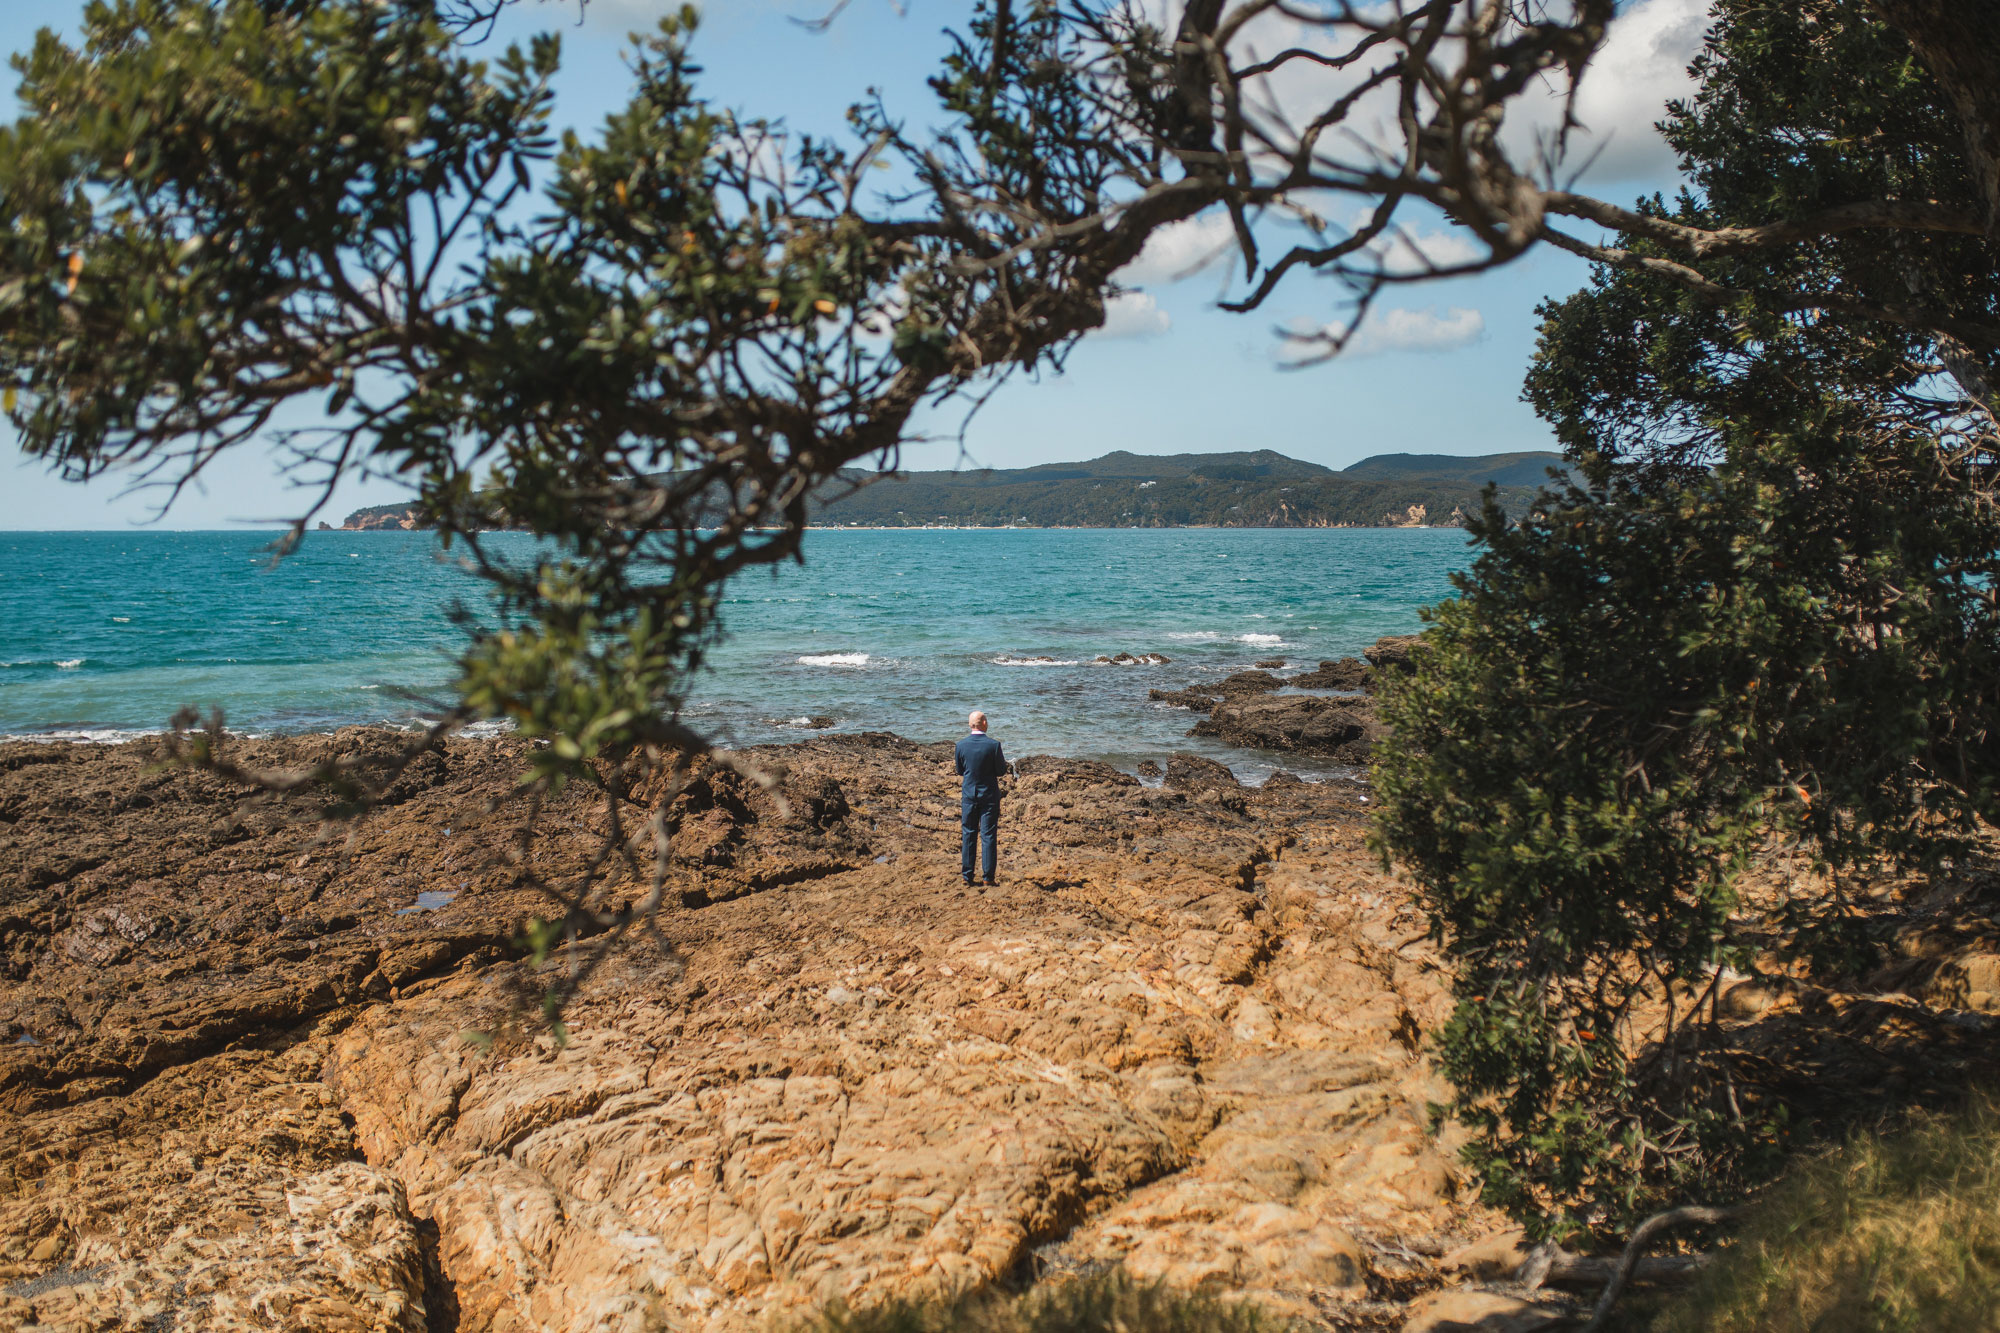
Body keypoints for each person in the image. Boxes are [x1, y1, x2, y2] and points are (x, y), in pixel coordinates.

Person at [954, 710, 1007, 886]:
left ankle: (967, 876)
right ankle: (988, 878)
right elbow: (1001, 771)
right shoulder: (994, 745)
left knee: (968, 833)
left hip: (969, 794)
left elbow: (960, 770)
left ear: (971, 725)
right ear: (984, 723)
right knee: (988, 835)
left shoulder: (961, 745)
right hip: (989, 795)